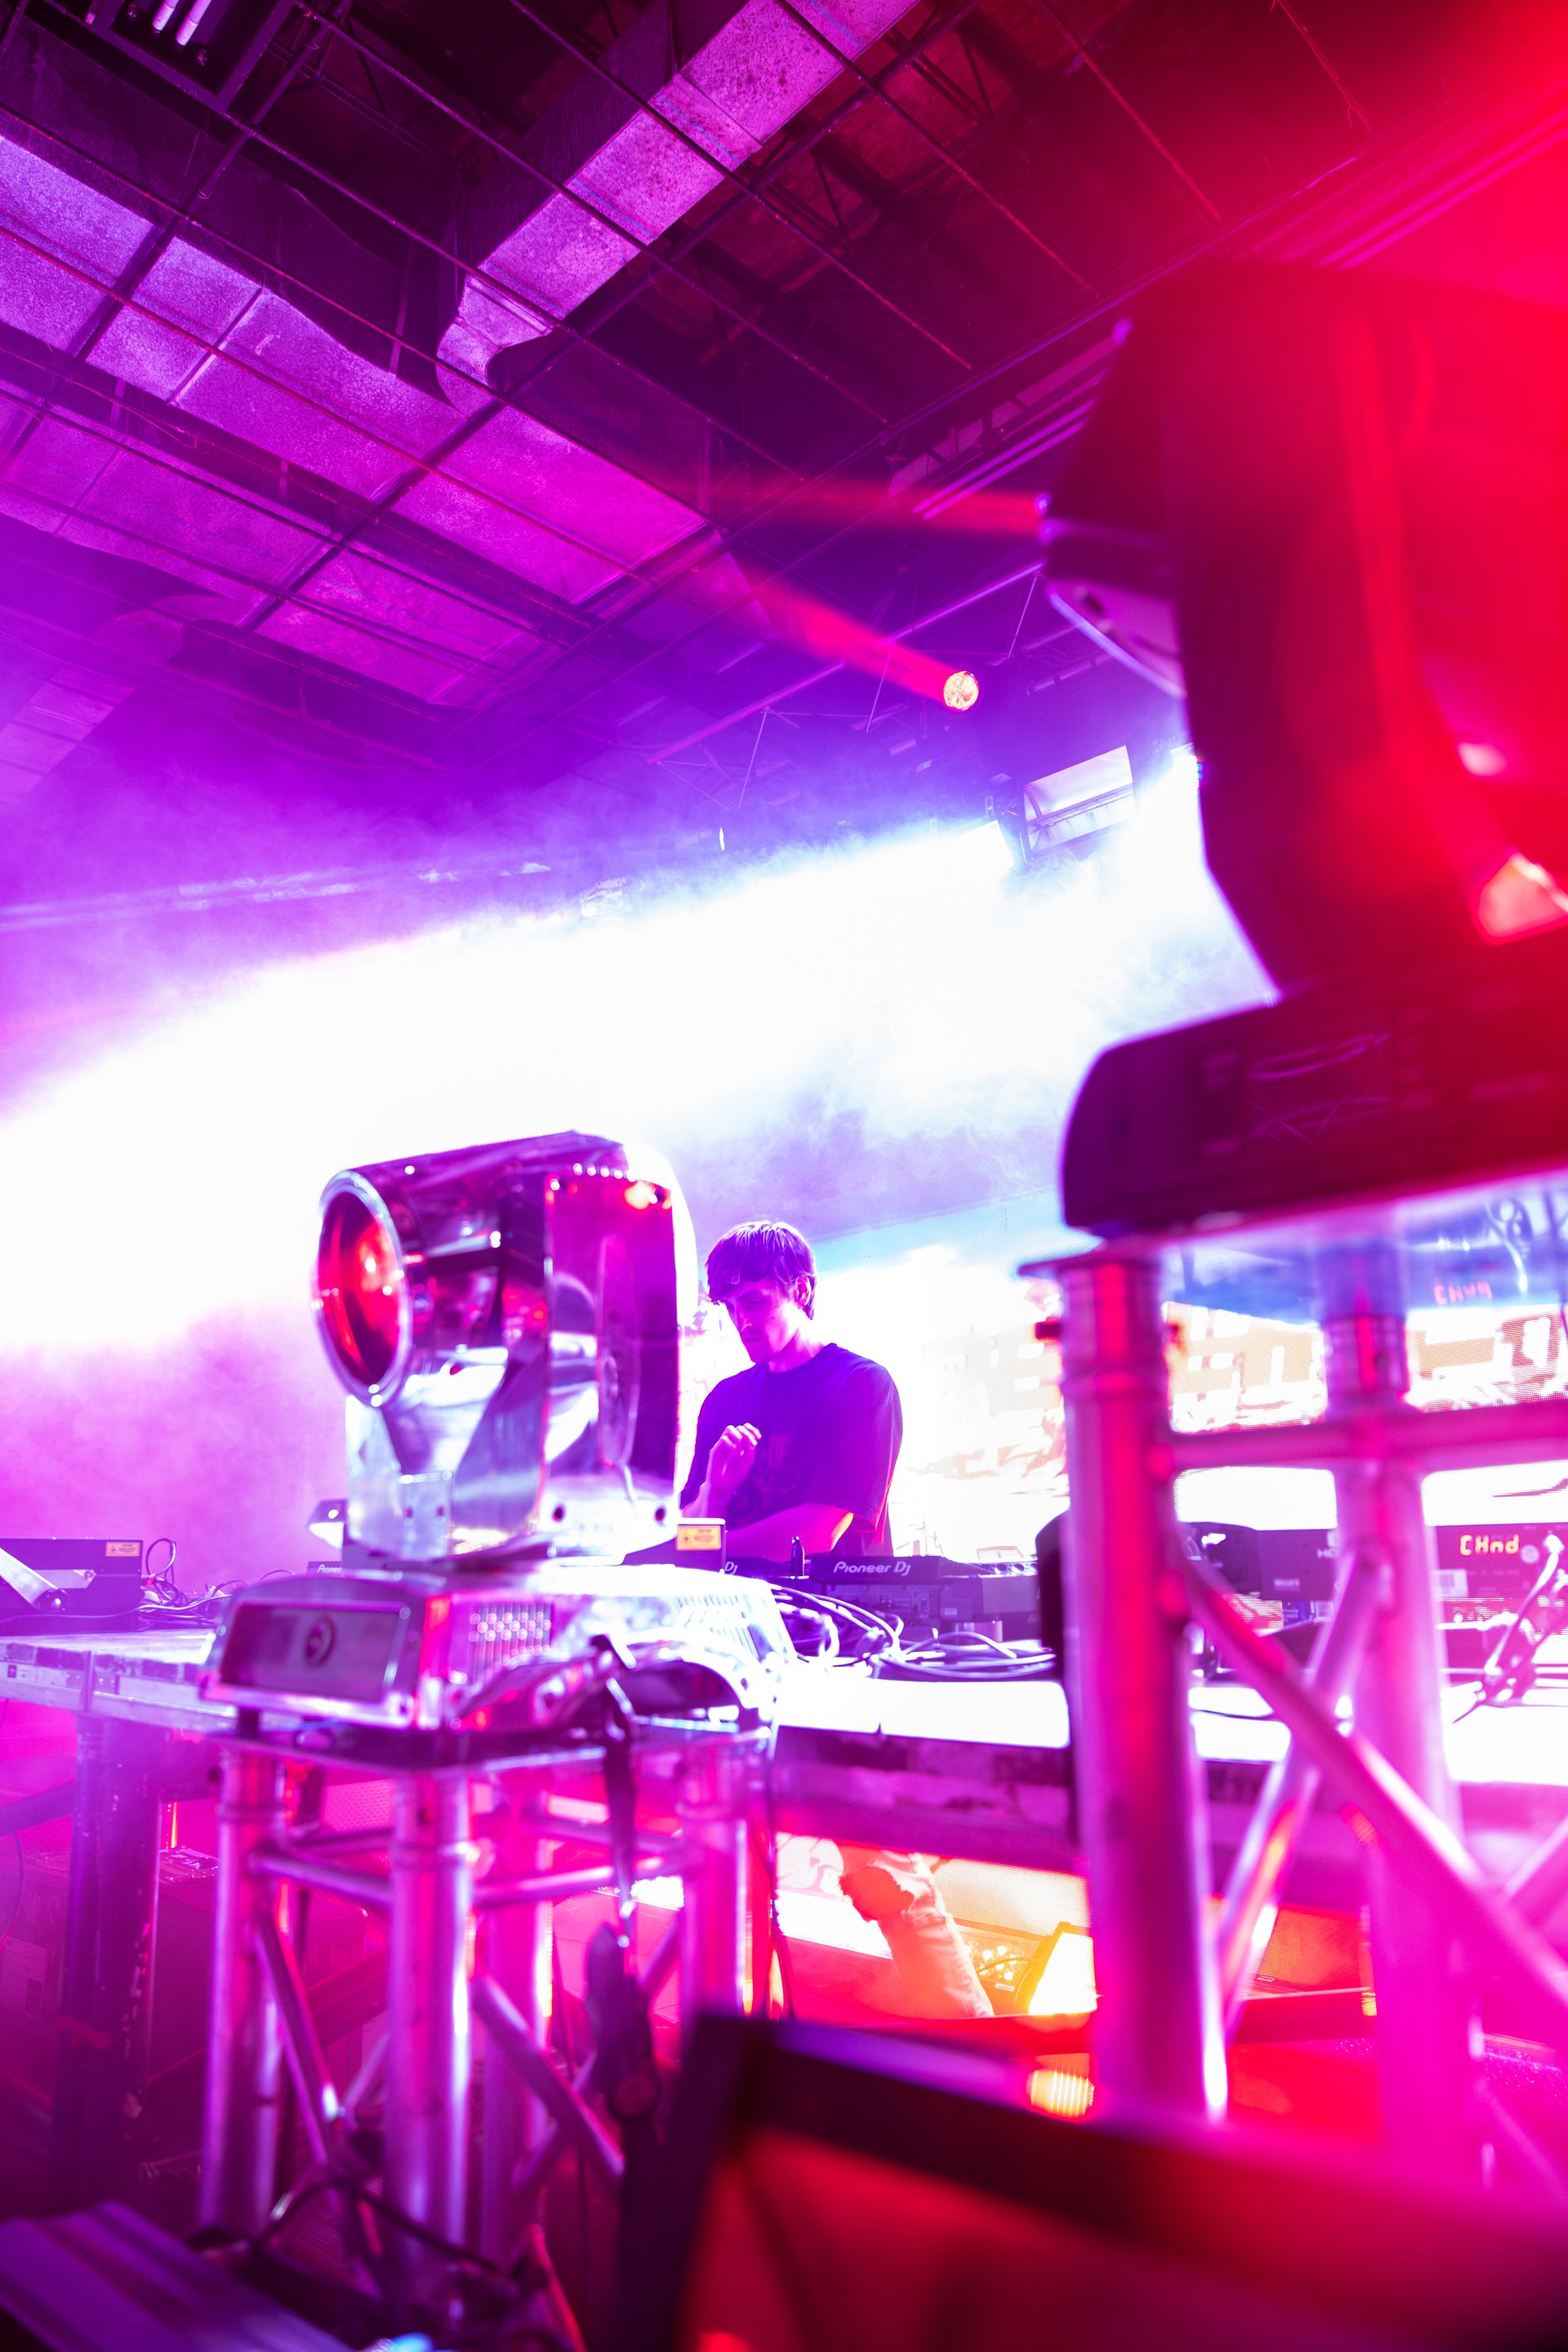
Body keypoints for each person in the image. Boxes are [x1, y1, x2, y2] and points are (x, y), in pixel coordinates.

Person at [685, 1220, 990, 2020]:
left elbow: (814, 1536)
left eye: (754, 1301)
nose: (742, 1322)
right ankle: (741, 2060)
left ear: (802, 1290)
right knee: (723, 1857)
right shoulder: (723, 1401)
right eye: (729, 1307)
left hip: (842, 1648)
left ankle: (981, 2060)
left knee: (881, 1870)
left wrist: (709, 1540)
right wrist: (715, 1496)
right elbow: (689, 1541)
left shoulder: (860, 1387)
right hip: (741, 1651)